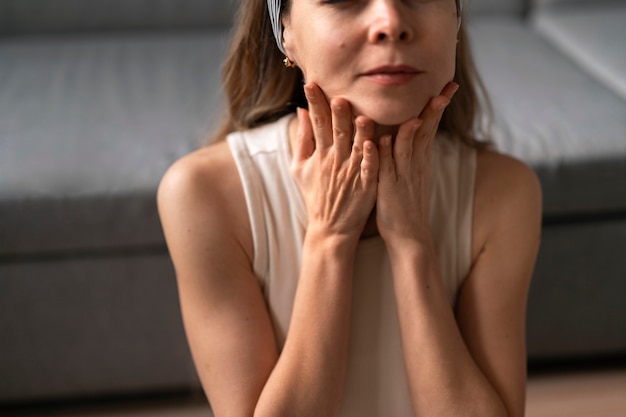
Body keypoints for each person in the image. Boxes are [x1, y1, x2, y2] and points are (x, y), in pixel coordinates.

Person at [157, 0, 542, 416]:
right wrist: (330, 237)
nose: (390, 24)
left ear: (456, 20)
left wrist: (412, 243)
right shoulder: (204, 195)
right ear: (285, 32)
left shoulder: (503, 192)